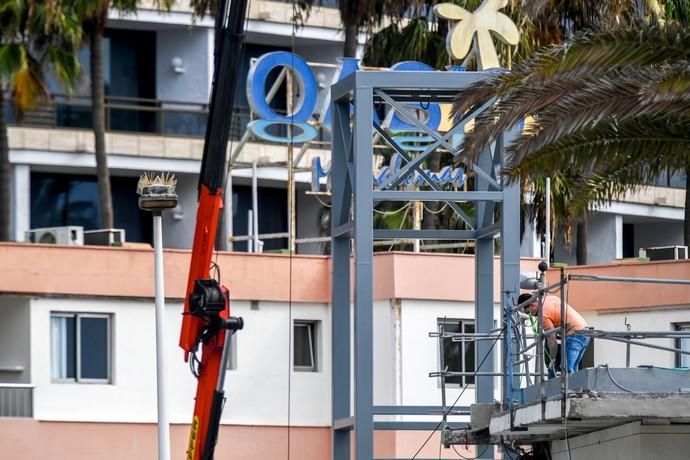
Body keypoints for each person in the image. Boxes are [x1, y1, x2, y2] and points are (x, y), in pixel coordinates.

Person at [518, 293, 590, 375]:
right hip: (585, 331)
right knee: (573, 369)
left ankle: (569, 387)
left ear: (533, 306)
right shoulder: (548, 298)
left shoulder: (543, 315)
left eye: (529, 313)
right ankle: (575, 387)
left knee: (568, 370)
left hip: (574, 335)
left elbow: (552, 340)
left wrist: (553, 359)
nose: (531, 316)